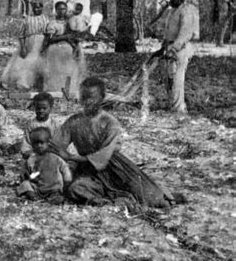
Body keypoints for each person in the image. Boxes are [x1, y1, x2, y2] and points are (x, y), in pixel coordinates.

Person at [52, 77, 176, 208]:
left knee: (154, 200)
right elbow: (56, 145)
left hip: (116, 169)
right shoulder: (74, 121)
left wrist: (71, 157)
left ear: (102, 98)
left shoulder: (110, 122)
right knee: (75, 189)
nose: (88, 102)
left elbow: (103, 158)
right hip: (87, 169)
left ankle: (158, 193)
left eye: (92, 97)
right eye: (84, 97)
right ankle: (106, 200)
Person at [162, 0, 199, 114]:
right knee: (169, 78)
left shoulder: (186, 11)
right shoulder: (173, 11)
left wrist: (174, 48)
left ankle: (179, 109)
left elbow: (185, 33)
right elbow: (169, 31)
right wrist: (165, 45)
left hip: (181, 48)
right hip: (170, 46)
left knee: (178, 79)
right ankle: (172, 105)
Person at [40, 2, 87, 97]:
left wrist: (76, 45)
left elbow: (75, 36)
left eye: (64, 9)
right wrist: (64, 37)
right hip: (56, 49)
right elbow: (50, 39)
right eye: (59, 9)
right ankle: (55, 90)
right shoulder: (52, 23)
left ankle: (69, 90)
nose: (62, 11)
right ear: (56, 10)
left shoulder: (70, 22)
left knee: (69, 70)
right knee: (56, 70)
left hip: (69, 49)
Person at [17, 127, 72, 205]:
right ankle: (33, 196)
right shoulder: (31, 159)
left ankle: (55, 198)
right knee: (25, 185)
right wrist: (28, 176)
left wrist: (67, 181)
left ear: (48, 143)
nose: (39, 146)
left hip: (53, 188)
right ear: (32, 145)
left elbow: (65, 170)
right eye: (36, 143)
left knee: (58, 195)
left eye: (42, 143)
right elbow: (25, 175)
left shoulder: (56, 158)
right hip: (37, 187)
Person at [1, 1, 49, 90]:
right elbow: (21, 35)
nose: (36, 9)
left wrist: (46, 44)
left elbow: (48, 32)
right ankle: (24, 83)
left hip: (42, 42)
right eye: (34, 7)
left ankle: (39, 84)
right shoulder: (27, 19)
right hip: (30, 42)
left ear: (42, 8)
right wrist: (23, 47)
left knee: (41, 63)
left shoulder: (46, 19)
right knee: (26, 62)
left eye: (38, 7)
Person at [20, 92, 61, 159]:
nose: (41, 111)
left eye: (44, 108)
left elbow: (57, 143)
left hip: (50, 152)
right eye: (38, 108)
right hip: (34, 152)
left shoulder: (55, 124)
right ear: (34, 108)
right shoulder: (31, 124)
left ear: (50, 108)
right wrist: (27, 151)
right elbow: (26, 142)